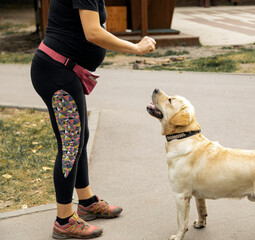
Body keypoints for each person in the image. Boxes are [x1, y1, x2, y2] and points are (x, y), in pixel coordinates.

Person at [30, 0, 156, 239]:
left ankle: (86, 201)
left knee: (79, 139)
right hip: (57, 72)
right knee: (70, 146)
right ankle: (64, 221)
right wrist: (135, 48)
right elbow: (93, 32)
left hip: (65, 70)